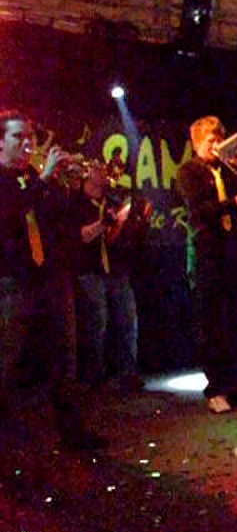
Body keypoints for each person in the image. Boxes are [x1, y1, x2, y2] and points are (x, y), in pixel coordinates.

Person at [0, 110, 106, 450]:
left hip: (50, 277)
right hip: (12, 281)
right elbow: (11, 212)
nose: (27, 142)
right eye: (18, 136)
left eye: (30, 136)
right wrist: (45, 178)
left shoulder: (34, 176)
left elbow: (61, 220)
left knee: (64, 359)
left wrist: (71, 185)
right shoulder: (11, 179)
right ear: (0, 142)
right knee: (8, 358)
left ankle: (72, 432)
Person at [176, 115, 237, 414]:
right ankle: (215, 389)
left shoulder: (227, 170)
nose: (216, 145)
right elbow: (201, 211)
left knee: (235, 321)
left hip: (231, 251)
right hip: (205, 253)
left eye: (220, 139)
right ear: (197, 143)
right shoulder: (188, 171)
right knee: (211, 324)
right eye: (211, 141)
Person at [74, 161, 146, 391]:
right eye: (98, 168)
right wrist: (106, 222)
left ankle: (128, 373)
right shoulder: (76, 201)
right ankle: (93, 377)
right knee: (96, 325)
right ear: (87, 174)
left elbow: (113, 238)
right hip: (90, 270)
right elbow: (84, 237)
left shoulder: (113, 199)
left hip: (117, 269)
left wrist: (129, 219)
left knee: (127, 322)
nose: (105, 171)